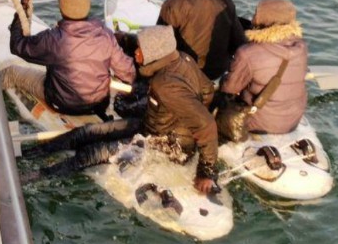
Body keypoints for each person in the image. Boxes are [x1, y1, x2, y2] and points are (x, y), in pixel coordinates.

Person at [23, 26, 219, 194]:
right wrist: (172, 115)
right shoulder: (183, 59)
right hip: (151, 126)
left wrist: (206, 173)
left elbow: (207, 125)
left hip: (167, 144)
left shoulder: (165, 85)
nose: (135, 53)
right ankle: (34, 153)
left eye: (140, 49)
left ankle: (37, 175)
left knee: (93, 153)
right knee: (87, 132)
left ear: (154, 53)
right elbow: (208, 90)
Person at [1, 0, 135, 119]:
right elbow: (127, 72)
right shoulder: (106, 35)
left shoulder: (53, 39)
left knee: (11, 72)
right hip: (99, 104)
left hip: (62, 103)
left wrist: (24, 5)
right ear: (88, 7)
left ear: (61, 9)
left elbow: (17, 45)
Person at [217, 0, 308, 136]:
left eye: (256, 14)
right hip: (293, 120)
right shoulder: (301, 46)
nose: (253, 18)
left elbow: (230, 88)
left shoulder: (247, 52)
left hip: (259, 122)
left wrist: (224, 79)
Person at [156, 0, 246, 80]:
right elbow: (238, 41)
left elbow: (159, 47)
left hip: (187, 75)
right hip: (218, 72)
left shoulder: (173, 5)